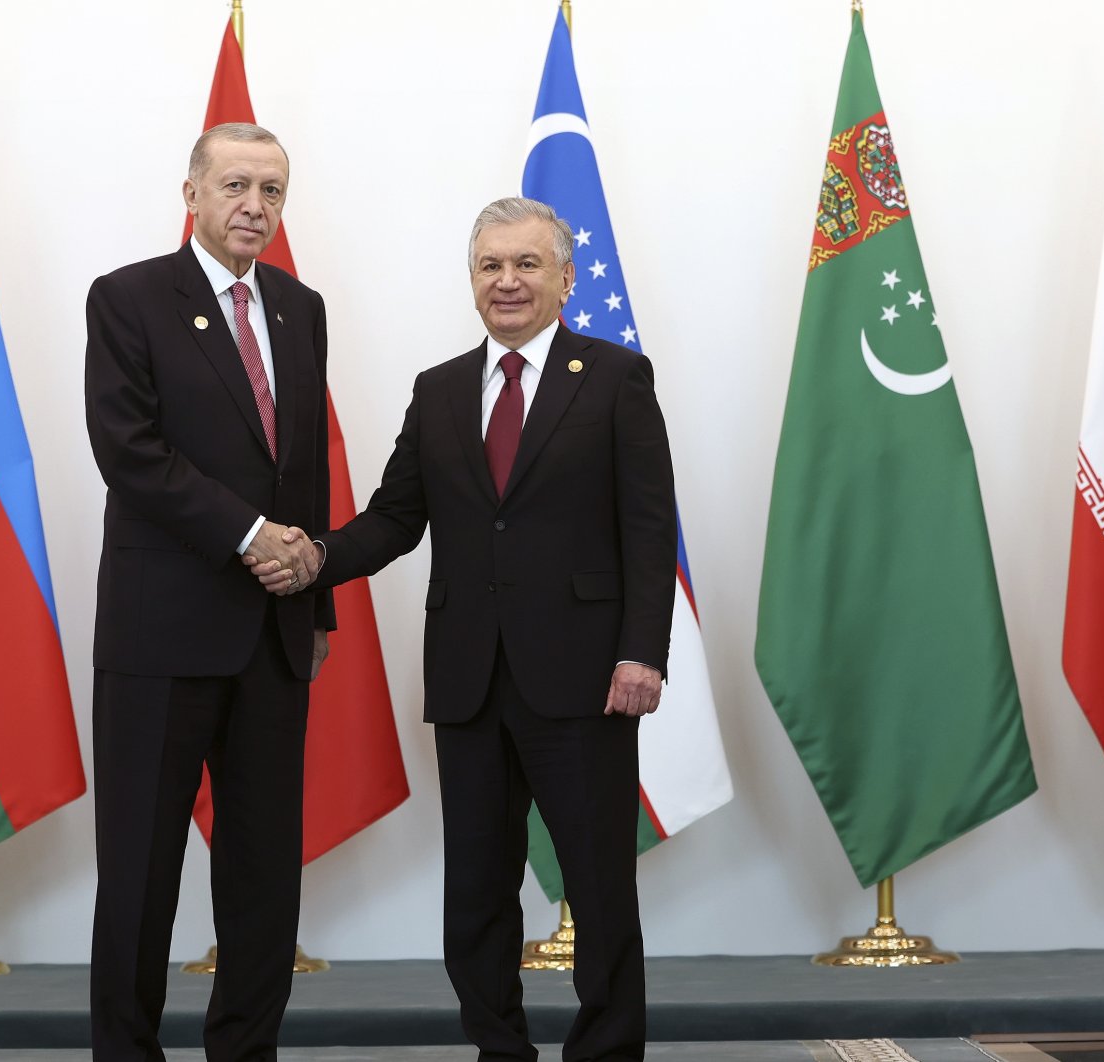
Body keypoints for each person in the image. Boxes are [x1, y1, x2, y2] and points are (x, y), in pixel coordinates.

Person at [251, 197, 676, 1061]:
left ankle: (606, 1051)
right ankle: (499, 1049)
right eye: (491, 266)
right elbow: (394, 517)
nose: (508, 282)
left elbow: (649, 525)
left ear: (563, 279)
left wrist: (642, 652)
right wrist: (312, 559)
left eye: (526, 265)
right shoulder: (440, 389)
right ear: (472, 281)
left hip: (586, 678)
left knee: (599, 889)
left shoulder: (617, 378)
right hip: (469, 679)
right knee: (476, 893)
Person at [85, 121, 332, 1062]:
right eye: (236, 186)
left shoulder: (301, 309)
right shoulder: (130, 298)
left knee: (265, 877)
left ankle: (245, 1052)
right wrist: (249, 535)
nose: (254, 207)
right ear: (191, 193)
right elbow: (131, 454)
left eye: (272, 191)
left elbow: (305, 467)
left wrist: (315, 597)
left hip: (274, 633)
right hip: (161, 638)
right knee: (142, 876)